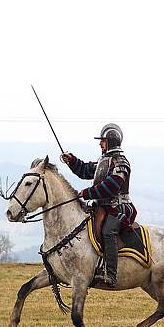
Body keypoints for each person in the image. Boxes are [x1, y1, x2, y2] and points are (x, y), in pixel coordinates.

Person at [60, 123, 135, 287]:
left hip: (118, 207)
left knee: (108, 232)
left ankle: (111, 274)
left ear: (111, 142)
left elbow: (112, 185)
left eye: (102, 141)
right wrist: (72, 161)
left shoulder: (121, 162)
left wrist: (88, 193)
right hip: (101, 206)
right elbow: (86, 170)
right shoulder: (104, 160)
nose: (100, 143)